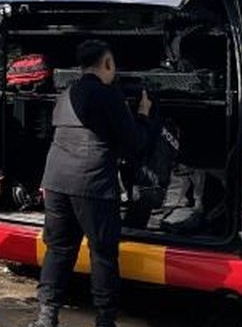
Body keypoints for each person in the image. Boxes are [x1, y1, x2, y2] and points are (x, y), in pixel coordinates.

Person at [27, 40, 153, 327]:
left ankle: (46, 317)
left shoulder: (65, 94)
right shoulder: (109, 96)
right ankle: (105, 320)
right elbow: (135, 143)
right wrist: (144, 116)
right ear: (108, 63)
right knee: (103, 252)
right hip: (92, 184)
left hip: (55, 180)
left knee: (58, 249)